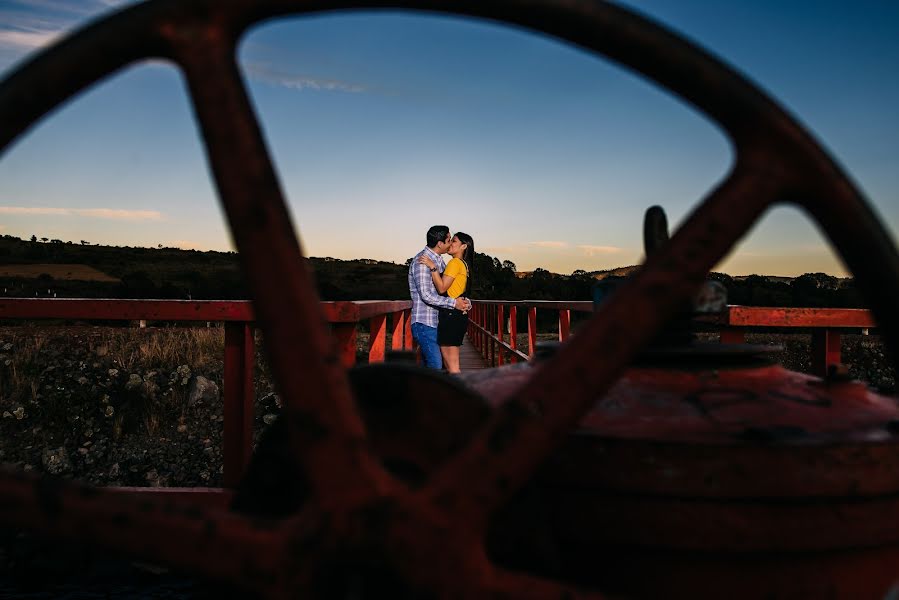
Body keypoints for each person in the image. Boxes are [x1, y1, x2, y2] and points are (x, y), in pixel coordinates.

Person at [408, 225, 471, 369]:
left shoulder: (440, 260)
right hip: (425, 323)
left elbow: (449, 289)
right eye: (449, 240)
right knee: (436, 365)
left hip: (438, 322)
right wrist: (454, 303)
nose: (450, 243)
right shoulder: (422, 261)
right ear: (440, 243)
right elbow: (426, 295)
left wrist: (465, 302)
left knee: (430, 366)